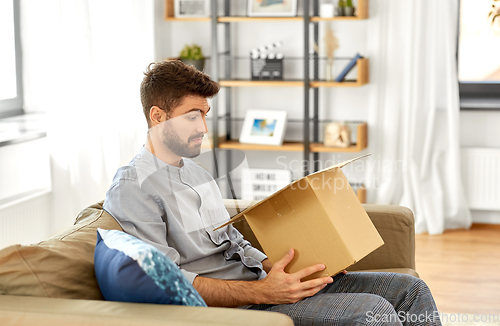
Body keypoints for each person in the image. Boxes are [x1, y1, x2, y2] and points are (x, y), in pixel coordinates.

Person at [103, 60, 441, 326]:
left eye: (205, 115)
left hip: (264, 284)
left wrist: (289, 267)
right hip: (243, 304)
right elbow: (168, 281)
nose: (203, 128)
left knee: (412, 291)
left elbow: (232, 241)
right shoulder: (134, 187)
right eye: (192, 116)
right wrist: (263, 291)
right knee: (374, 312)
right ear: (157, 116)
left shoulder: (196, 171)